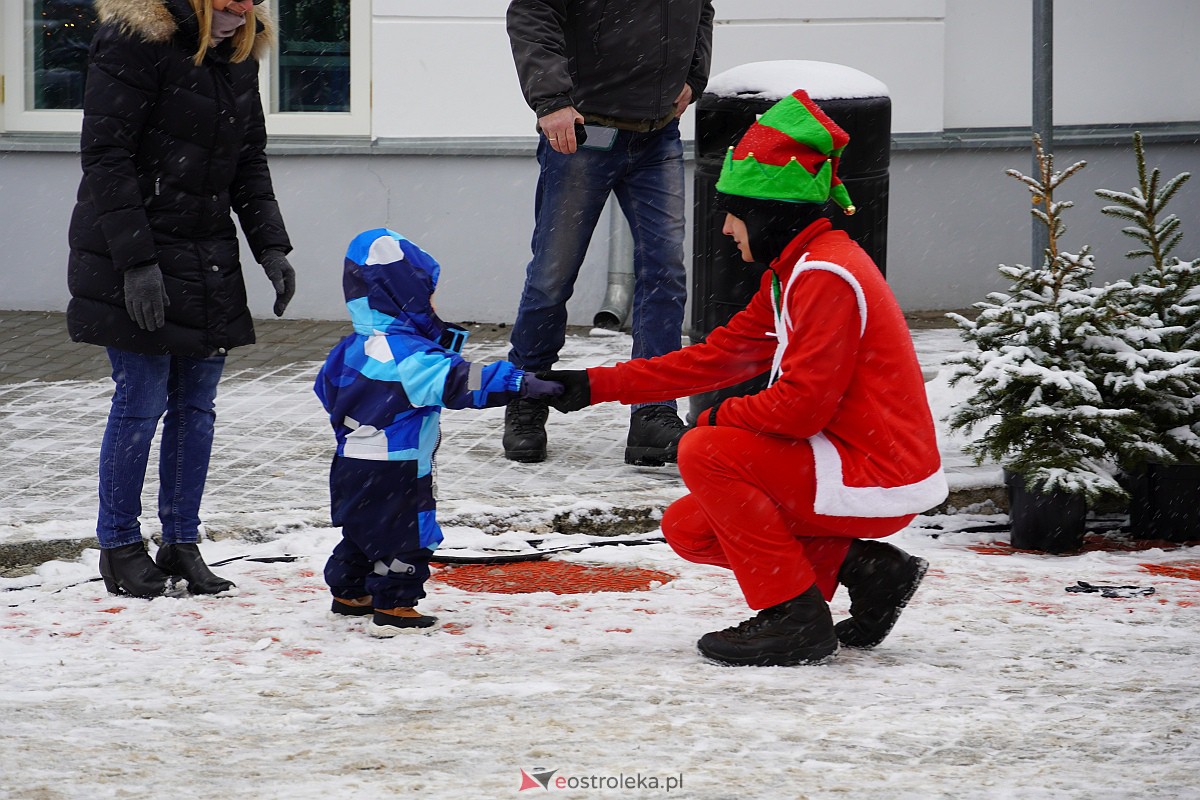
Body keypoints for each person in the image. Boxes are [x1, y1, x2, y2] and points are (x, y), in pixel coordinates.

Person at [541, 90, 949, 667]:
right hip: (845, 459)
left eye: (735, 213)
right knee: (690, 527)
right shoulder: (793, 272)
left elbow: (800, 408)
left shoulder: (827, 275)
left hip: (877, 470)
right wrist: (593, 386)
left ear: (771, 212)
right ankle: (869, 569)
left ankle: (794, 619)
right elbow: (716, 358)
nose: (728, 228)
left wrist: (711, 421)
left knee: (707, 451)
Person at [67, 0, 295, 598]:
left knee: (196, 409)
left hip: (206, 255)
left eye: (248, 1)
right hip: (132, 250)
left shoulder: (237, 56)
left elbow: (248, 160)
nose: (240, 10)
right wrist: (137, 264)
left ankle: (180, 541)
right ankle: (118, 546)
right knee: (140, 401)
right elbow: (106, 157)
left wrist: (271, 246)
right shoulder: (134, 41)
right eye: (226, 1)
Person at [314, 229, 563, 638]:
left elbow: (324, 389)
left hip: (350, 460)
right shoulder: (407, 353)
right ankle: (394, 604)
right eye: (428, 294)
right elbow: (461, 380)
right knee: (408, 532)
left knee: (363, 529)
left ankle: (349, 592)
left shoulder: (351, 346)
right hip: (397, 465)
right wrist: (520, 383)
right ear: (403, 295)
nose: (433, 303)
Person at [502, 0, 716, 466]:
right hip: (582, 132)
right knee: (552, 276)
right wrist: (552, 99)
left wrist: (694, 77)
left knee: (665, 274)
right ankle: (528, 396)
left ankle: (653, 412)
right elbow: (532, 14)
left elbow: (701, 10)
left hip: (658, 134)